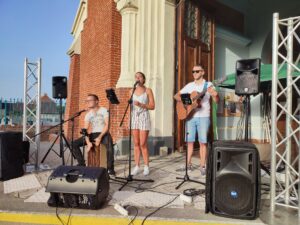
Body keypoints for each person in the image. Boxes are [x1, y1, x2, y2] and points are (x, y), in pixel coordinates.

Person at [174, 64, 219, 176]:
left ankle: (202, 166)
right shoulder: (190, 85)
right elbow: (176, 96)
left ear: (203, 72)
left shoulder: (209, 85)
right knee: (189, 142)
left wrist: (215, 95)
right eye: (193, 71)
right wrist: (189, 103)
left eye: (197, 71)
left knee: (203, 142)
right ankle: (188, 165)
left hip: (204, 117)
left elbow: (216, 101)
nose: (194, 73)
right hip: (190, 116)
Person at [72, 94, 115, 175]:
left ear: (96, 101)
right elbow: (85, 130)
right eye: (86, 101)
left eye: (90, 100)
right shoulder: (88, 114)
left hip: (103, 133)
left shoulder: (104, 110)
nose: (87, 102)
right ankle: (81, 164)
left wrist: (99, 138)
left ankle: (110, 169)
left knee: (109, 146)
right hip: (92, 134)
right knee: (74, 144)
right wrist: (88, 142)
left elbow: (107, 125)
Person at [130, 72, 155, 176]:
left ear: (143, 79)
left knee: (142, 143)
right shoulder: (131, 91)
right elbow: (130, 108)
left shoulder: (148, 90)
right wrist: (129, 119)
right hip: (134, 117)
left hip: (144, 116)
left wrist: (141, 104)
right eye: (136, 77)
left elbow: (152, 106)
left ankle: (146, 166)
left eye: (139, 76)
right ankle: (136, 166)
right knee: (136, 143)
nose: (137, 78)